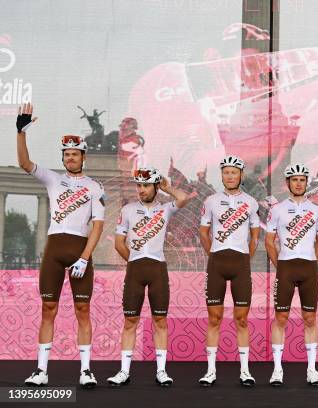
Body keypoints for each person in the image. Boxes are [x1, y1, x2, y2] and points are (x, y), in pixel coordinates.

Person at [17, 103, 105, 388]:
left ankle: (86, 371)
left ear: (83, 157)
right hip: (54, 250)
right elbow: (25, 164)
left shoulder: (94, 186)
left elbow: (99, 226)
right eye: (66, 154)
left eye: (74, 154)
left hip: (80, 251)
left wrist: (85, 257)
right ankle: (41, 371)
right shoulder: (53, 180)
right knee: (48, 309)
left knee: (83, 311)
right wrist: (21, 133)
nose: (70, 158)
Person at [107, 167, 189, 387]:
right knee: (130, 321)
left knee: (160, 321)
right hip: (135, 269)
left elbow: (183, 198)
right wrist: (135, 261)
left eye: (145, 186)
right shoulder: (128, 209)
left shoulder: (165, 209)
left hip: (158, 270)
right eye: (139, 186)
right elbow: (118, 243)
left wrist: (166, 187)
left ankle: (161, 371)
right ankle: (124, 371)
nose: (141, 190)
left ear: (154, 186)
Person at [198, 155, 260, 387]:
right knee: (214, 319)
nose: (230, 176)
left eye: (234, 172)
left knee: (241, 319)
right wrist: (213, 253)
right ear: (222, 175)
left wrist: (247, 257)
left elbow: (255, 235)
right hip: (217, 264)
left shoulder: (251, 202)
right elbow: (203, 232)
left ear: (241, 175)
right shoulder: (211, 201)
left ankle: (245, 371)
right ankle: (210, 371)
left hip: (240, 264)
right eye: (226, 172)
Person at [266, 164, 318, 387]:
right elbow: (269, 241)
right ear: (288, 183)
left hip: (308, 268)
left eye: (302, 180)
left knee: (310, 318)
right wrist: (279, 265)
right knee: (281, 318)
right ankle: (277, 370)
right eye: (294, 180)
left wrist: (313, 259)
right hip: (286, 268)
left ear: (306, 182)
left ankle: (311, 370)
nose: (298, 183)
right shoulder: (277, 209)